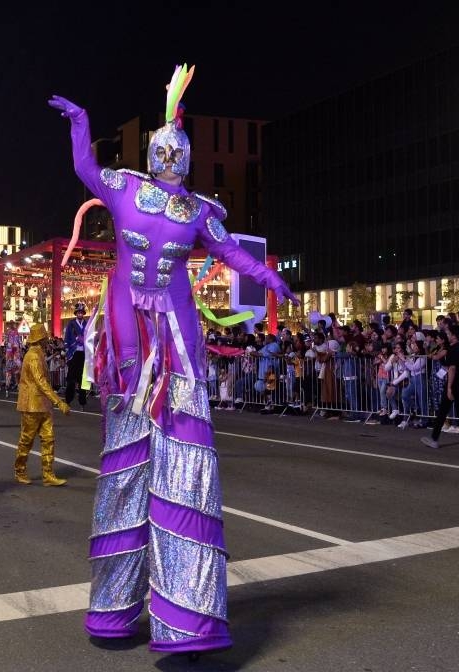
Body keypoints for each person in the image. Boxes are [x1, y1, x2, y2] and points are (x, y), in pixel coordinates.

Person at [49, 64, 298, 655]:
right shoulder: (124, 187)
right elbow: (84, 168)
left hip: (178, 331)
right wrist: (81, 123)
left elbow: (234, 256)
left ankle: (187, 615)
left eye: (177, 153)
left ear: (187, 159)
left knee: (185, 445)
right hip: (127, 331)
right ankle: (114, 609)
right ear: (152, 154)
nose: (169, 160)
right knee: (128, 448)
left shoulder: (201, 213)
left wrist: (270, 279)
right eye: (162, 152)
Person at [14, 323, 71, 485]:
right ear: (40, 339)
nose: (47, 341)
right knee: (27, 439)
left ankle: (48, 474)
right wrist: (58, 401)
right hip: (32, 404)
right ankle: (20, 470)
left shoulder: (39, 354)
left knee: (48, 439)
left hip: (43, 404)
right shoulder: (33, 356)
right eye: (45, 338)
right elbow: (41, 382)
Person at [420, 323, 459, 451]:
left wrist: (449, 387)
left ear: (454, 336)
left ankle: (434, 439)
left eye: (448, 334)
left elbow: (452, 368)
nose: (447, 336)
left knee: (442, 412)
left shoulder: (453, 349)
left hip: (455, 385)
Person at [64, 302, 90, 410]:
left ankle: (82, 402)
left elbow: (90, 336)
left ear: (83, 313)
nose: (80, 314)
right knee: (71, 379)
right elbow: (66, 338)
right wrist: (74, 342)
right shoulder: (71, 324)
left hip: (83, 353)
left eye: (81, 312)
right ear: (76, 313)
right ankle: (68, 400)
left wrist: (85, 340)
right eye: (78, 312)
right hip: (74, 353)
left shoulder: (87, 323)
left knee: (82, 379)